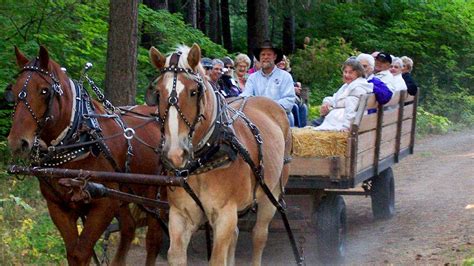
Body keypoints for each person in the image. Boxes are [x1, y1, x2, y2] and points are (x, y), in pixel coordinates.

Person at [241, 40, 296, 125]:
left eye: (269, 54)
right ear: (259, 58)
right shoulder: (252, 78)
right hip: (256, 118)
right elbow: (245, 96)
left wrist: (267, 108)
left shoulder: (285, 76)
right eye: (263, 54)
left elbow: (289, 101)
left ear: (275, 57)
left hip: (279, 118)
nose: (265, 57)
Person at [313, 58, 373, 131]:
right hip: (336, 121)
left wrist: (346, 127)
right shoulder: (347, 86)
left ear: (358, 73)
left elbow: (351, 110)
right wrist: (326, 102)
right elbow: (336, 98)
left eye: (350, 72)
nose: (347, 75)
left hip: (343, 124)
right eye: (345, 72)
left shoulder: (356, 88)